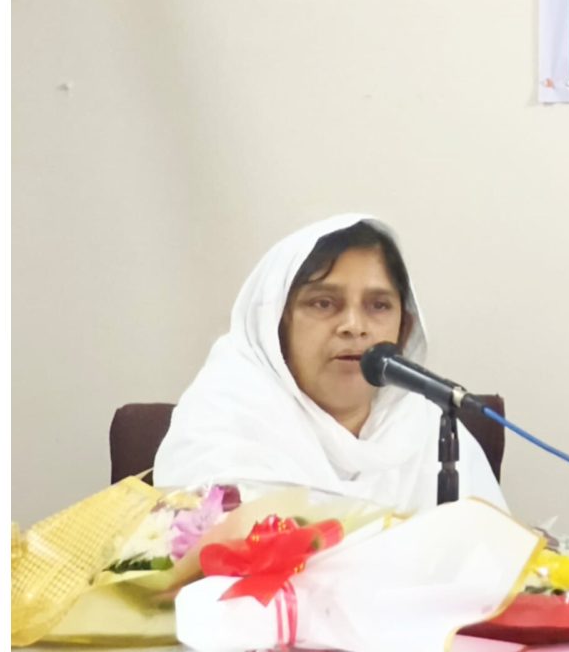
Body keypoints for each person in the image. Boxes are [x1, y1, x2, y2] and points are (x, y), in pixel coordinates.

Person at [156, 215, 505, 511]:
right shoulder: (223, 422)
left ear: (404, 329)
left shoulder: (430, 429)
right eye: (323, 303)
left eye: (378, 306)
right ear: (277, 326)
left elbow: (496, 557)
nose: (353, 326)